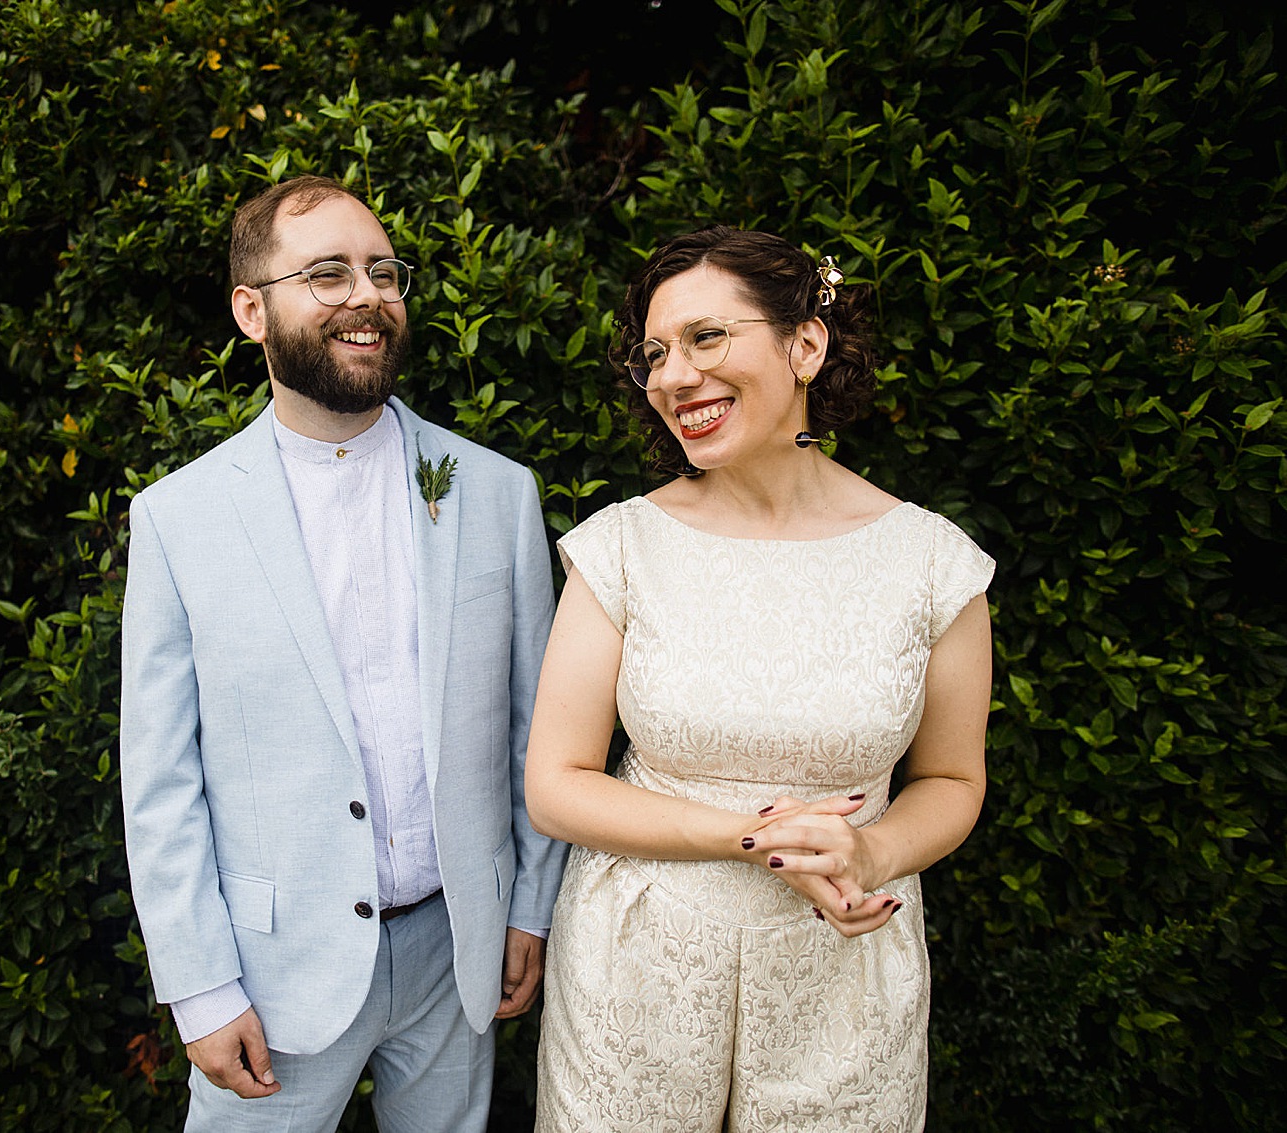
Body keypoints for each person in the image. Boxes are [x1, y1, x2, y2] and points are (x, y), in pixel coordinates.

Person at [120, 175, 566, 1132]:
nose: (366, 295)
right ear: (253, 310)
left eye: (382, 271)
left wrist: (529, 905)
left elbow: (539, 724)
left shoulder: (495, 493)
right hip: (274, 976)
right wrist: (199, 987)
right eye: (326, 273)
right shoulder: (178, 519)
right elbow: (159, 778)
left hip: (462, 952)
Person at [526, 226, 994, 1130]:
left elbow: (952, 779)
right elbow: (556, 785)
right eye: (654, 355)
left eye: (707, 338)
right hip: (639, 971)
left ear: (806, 345)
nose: (671, 375)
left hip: (844, 980)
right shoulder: (621, 546)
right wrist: (753, 839)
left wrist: (875, 851)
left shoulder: (934, 565)